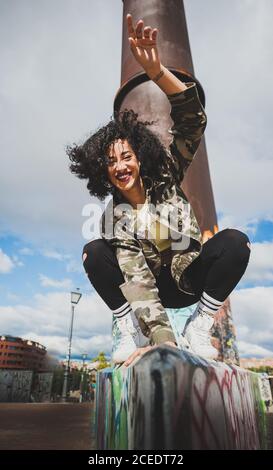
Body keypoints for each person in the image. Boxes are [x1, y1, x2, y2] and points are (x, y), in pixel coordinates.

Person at [67, 14, 251, 367]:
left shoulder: (166, 173)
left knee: (235, 242)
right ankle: (128, 327)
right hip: (150, 290)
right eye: (111, 162)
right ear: (103, 171)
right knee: (94, 252)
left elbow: (193, 120)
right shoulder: (113, 220)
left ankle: (199, 325)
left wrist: (157, 74)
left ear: (139, 157)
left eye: (126, 156)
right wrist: (162, 344)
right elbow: (138, 280)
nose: (120, 166)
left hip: (188, 279)